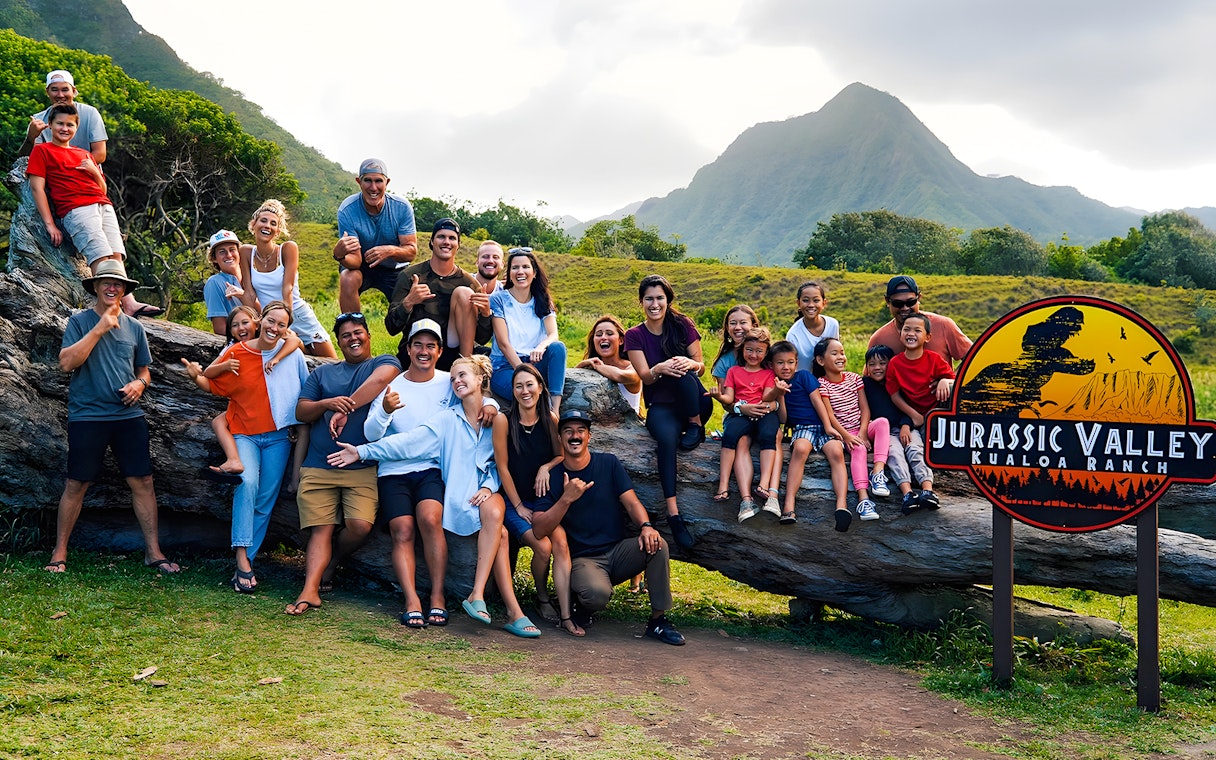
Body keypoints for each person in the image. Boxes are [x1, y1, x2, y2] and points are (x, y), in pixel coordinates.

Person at [330, 356, 541, 638]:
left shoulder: (497, 417)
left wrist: (489, 486)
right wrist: (362, 451)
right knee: (500, 534)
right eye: (453, 378)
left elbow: (500, 464)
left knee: (493, 514)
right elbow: (409, 442)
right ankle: (512, 611)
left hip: (489, 493)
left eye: (463, 375)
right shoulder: (446, 420)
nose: (457, 381)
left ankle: (483, 597)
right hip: (461, 497)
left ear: (480, 380)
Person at [45, 259, 179, 574]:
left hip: (127, 417)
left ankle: (153, 552)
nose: (111, 287)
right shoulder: (79, 322)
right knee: (77, 483)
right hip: (88, 416)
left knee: (143, 481)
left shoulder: (135, 328)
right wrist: (101, 327)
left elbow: (144, 370)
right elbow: (66, 363)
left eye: (117, 284)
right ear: (94, 287)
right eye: (105, 282)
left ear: (124, 290)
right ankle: (59, 552)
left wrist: (140, 383)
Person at [363, 319, 496, 628]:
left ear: (439, 352)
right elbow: (371, 435)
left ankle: (437, 596)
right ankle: (411, 599)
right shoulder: (392, 386)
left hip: (431, 469)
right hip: (394, 471)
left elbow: (472, 394)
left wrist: (490, 404)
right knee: (403, 529)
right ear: (408, 349)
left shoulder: (446, 382)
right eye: (418, 345)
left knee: (430, 519)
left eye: (431, 346)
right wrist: (384, 410)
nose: (424, 351)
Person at [531, 409, 686, 645]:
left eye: (581, 431)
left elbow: (632, 502)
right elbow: (539, 529)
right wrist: (566, 499)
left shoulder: (608, 463)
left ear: (589, 437)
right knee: (597, 594)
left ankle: (658, 621)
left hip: (617, 551)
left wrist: (646, 526)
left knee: (658, 545)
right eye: (568, 431)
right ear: (561, 439)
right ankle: (581, 603)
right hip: (583, 559)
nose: (575, 436)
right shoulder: (551, 476)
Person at [284, 313, 399, 615]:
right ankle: (309, 590)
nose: (353, 339)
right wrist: (327, 404)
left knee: (360, 526)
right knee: (320, 529)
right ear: (338, 341)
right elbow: (302, 411)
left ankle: (333, 559)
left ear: (368, 336)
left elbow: (381, 380)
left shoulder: (381, 362)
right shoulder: (322, 374)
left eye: (358, 332)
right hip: (319, 466)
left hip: (361, 467)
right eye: (346, 335)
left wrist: (347, 406)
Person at [188, 300, 307, 590]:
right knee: (247, 484)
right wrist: (195, 375)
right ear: (260, 319)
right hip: (245, 434)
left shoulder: (291, 354)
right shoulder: (236, 353)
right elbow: (212, 382)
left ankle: (247, 562)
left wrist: (295, 425)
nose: (274, 328)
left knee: (266, 499)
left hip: (278, 436)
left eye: (281, 325)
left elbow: (304, 393)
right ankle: (241, 557)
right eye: (271, 321)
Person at [27, 103, 162, 318]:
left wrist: (95, 172)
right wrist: (50, 224)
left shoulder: (84, 154)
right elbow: (37, 188)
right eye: (60, 123)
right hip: (76, 208)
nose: (64, 128)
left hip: (103, 205)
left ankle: (130, 304)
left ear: (76, 127)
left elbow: (102, 188)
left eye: (70, 124)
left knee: (116, 254)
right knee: (100, 254)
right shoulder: (42, 150)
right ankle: (111, 309)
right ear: (50, 125)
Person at [493, 365, 584, 636]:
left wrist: (546, 467)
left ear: (541, 387)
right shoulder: (503, 421)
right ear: (513, 391)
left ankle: (565, 608)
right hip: (513, 501)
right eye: (519, 386)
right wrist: (518, 506)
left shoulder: (550, 420)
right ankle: (542, 598)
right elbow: (502, 467)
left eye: (529, 385)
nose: (525, 391)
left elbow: (561, 456)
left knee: (560, 541)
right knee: (542, 548)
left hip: (542, 501)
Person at [624, 275, 710, 549]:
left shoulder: (682, 324)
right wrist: (659, 369)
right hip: (661, 406)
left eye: (660, 298)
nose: (654, 304)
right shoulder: (634, 335)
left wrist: (689, 363)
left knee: (683, 370)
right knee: (667, 442)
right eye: (649, 298)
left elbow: (701, 366)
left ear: (668, 300)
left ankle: (696, 425)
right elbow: (645, 378)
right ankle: (673, 513)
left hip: (693, 402)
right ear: (641, 302)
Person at [188, 304, 303, 481]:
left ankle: (235, 460)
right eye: (235, 325)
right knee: (219, 422)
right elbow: (209, 374)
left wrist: (276, 358)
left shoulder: (274, 338)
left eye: (245, 323)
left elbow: (296, 340)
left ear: (255, 322)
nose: (241, 328)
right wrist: (217, 369)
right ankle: (233, 459)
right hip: (244, 414)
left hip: (273, 425)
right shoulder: (234, 349)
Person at [385, 218, 492, 371]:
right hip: (418, 351)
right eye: (441, 236)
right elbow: (391, 328)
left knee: (463, 293)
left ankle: (466, 368)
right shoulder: (410, 276)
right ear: (432, 241)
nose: (446, 242)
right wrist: (408, 302)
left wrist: (486, 314)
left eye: (452, 238)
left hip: (453, 352)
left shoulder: (470, 283)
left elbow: (481, 338)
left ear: (458, 245)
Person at [241, 199, 336, 358]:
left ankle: (298, 342)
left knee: (330, 361)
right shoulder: (245, 252)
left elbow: (288, 289)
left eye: (273, 223)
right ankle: (297, 344)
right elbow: (250, 294)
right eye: (263, 221)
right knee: (293, 360)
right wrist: (256, 322)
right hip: (271, 320)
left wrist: (285, 322)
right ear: (253, 224)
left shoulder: (287, 248)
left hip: (296, 313)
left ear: (277, 231)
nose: (267, 226)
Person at [812, 337, 889, 530]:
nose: (841, 357)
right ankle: (863, 499)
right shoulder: (822, 384)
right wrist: (848, 436)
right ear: (821, 360)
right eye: (835, 353)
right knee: (859, 451)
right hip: (844, 433)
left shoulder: (855, 378)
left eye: (842, 352)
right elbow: (829, 415)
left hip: (862, 428)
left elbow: (865, 409)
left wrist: (863, 433)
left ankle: (878, 472)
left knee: (882, 423)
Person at [768, 340, 845, 526]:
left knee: (836, 451)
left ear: (796, 362)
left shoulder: (804, 377)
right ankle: (788, 505)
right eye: (780, 363)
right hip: (803, 428)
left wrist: (828, 426)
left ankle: (841, 505)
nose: (786, 367)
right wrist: (780, 394)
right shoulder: (774, 384)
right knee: (800, 449)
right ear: (771, 365)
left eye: (790, 362)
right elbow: (784, 419)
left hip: (822, 424)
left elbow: (818, 402)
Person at [884, 313, 955, 514]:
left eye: (917, 330)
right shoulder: (896, 364)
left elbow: (953, 381)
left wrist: (945, 381)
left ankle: (927, 492)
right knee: (912, 448)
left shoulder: (934, 360)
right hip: (911, 419)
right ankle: (909, 494)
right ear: (900, 333)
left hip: (935, 419)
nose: (911, 334)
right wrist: (912, 416)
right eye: (907, 329)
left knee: (925, 449)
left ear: (928, 337)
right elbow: (894, 394)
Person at [332, 159, 418, 313]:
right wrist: (340, 256)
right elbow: (356, 261)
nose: (373, 188)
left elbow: (411, 252)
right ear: (359, 182)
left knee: (412, 294)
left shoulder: (402, 207)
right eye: (367, 181)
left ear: (387, 182)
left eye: (378, 181)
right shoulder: (347, 210)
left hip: (394, 267)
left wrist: (390, 251)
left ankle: (412, 334)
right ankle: (353, 330)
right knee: (348, 278)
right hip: (362, 266)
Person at [715, 328, 781, 522]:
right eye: (749, 350)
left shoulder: (769, 374)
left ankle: (764, 483)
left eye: (759, 351)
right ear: (743, 349)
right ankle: (723, 485)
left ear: (766, 352)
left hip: (763, 412)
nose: (754, 355)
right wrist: (719, 396)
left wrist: (776, 390)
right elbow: (729, 396)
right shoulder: (734, 371)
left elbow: (767, 397)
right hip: (742, 413)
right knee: (730, 437)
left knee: (769, 435)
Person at [488, 247, 566, 412]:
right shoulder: (498, 299)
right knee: (529, 393)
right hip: (506, 366)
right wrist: (525, 374)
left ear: (534, 272)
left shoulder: (543, 300)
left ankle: (555, 411)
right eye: (515, 268)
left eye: (525, 267)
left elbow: (553, 334)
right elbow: (503, 343)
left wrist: (541, 347)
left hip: (535, 362)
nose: (520, 271)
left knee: (558, 347)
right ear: (509, 273)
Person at [864, 345, 934, 516]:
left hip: (906, 427)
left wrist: (906, 424)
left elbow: (911, 407)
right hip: (884, 433)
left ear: (891, 364)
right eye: (872, 364)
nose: (877, 367)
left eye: (882, 363)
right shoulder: (864, 385)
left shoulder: (899, 381)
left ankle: (927, 490)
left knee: (915, 450)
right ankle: (907, 494)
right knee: (894, 454)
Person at [868, 275, 971, 385]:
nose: (905, 308)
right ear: (888, 301)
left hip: (942, 400)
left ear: (919, 298)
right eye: (898, 303)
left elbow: (973, 358)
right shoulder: (879, 339)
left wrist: (951, 383)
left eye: (910, 302)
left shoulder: (943, 325)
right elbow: (870, 378)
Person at [708, 304, 761, 504]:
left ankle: (765, 489)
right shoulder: (725, 361)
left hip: (764, 412)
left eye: (743, 322)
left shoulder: (765, 352)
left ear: (754, 324)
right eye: (733, 323)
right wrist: (742, 408)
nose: (738, 327)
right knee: (742, 441)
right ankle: (745, 497)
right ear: (727, 329)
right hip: (737, 414)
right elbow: (727, 403)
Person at [19, 70, 107, 164]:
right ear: (47, 92)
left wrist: (69, 170)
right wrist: (30, 138)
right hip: (52, 175)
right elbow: (26, 159)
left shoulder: (90, 113)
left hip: (85, 173)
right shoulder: (38, 120)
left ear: (73, 91)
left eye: (65, 90)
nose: (60, 95)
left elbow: (100, 154)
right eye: (54, 90)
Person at [576, 314, 642, 415]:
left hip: (627, 427)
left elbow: (620, 376)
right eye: (598, 334)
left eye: (609, 333)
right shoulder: (589, 367)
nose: (603, 337)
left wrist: (597, 366)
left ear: (621, 340)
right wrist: (579, 367)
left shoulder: (633, 366)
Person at [786, 281, 840, 373]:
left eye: (816, 300)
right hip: (805, 383)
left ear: (824, 303)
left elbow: (836, 354)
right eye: (806, 300)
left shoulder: (832, 324)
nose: (811, 305)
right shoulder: (793, 335)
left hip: (830, 381)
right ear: (798, 303)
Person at [202, 230, 247, 336]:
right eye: (222, 252)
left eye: (232, 250)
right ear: (214, 258)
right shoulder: (214, 283)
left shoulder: (252, 276)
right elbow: (220, 329)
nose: (229, 255)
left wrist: (243, 295)